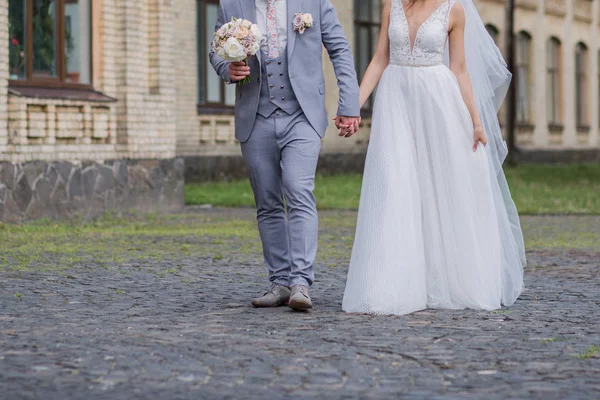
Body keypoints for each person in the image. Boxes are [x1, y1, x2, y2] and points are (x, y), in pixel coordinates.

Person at [342, 0, 526, 315]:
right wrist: (353, 105)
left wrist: (476, 122)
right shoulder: (391, 6)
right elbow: (379, 59)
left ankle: (441, 278)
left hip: (437, 101)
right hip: (395, 100)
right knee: (394, 182)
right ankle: (390, 283)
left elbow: (460, 69)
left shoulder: (455, 10)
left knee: (439, 186)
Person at [210, 0, 361, 310]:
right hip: (256, 114)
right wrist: (228, 68)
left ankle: (301, 283)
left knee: (298, 189)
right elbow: (215, 49)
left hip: (302, 115)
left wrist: (349, 104)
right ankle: (279, 282)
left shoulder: (315, 3)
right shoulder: (231, 5)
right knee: (267, 200)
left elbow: (340, 51)